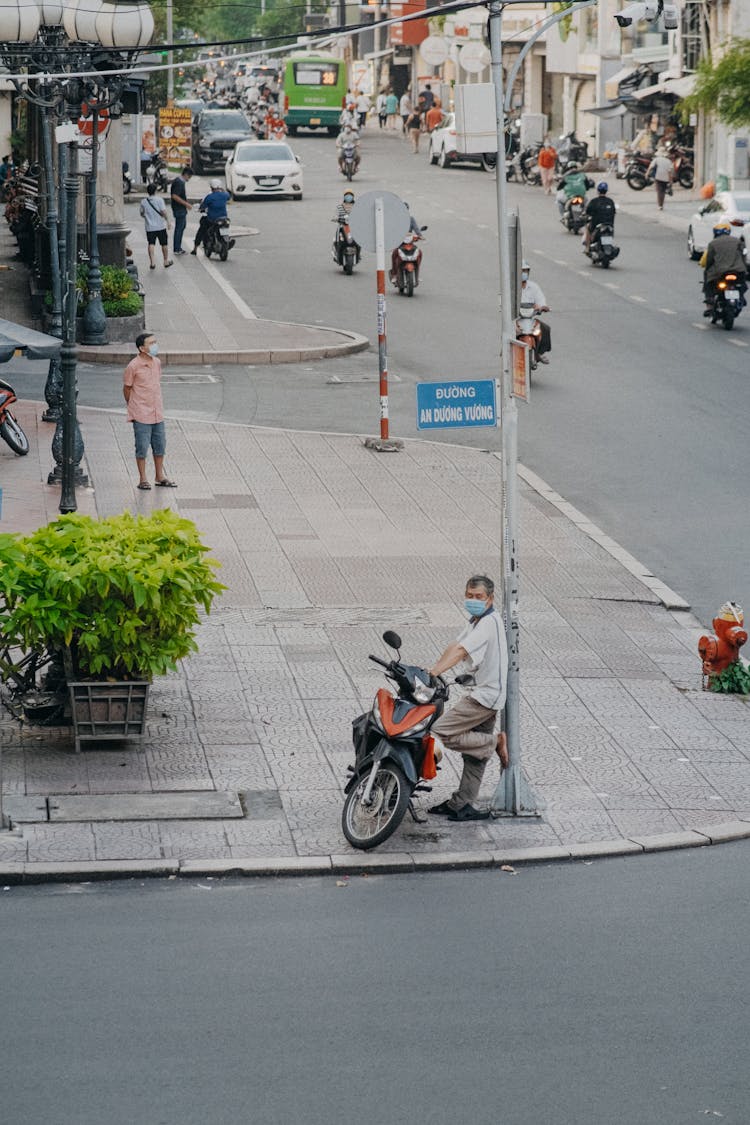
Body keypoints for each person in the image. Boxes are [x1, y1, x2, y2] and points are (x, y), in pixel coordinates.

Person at [427, 575, 509, 821]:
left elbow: (463, 651)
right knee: (475, 754)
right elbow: (455, 645)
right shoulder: (477, 620)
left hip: (485, 696)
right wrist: (431, 670)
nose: (473, 600)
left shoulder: (489, 622)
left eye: (479, 597)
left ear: (490, 599)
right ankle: (462, 804)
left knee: (440, 731)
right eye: (470, 596)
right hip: (482, 692)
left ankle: (494, 742)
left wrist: (435, 672)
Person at [122, 331, 176, 490]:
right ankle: (143, 479)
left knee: (160, 446)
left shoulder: (157, 362)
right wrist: (133, 405)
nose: (154, 346)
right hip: (141, 413)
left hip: (157, 412)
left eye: (155, 342)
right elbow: (127, 388)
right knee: (142, 447)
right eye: (151, 344)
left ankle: (160, 476)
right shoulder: (133, 366)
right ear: (141, 348)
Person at [700, 221, 747, 314]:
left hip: (721, 272)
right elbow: (743, 256)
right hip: (739, 271)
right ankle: (741, 297)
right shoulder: (738, 241)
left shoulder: (713, 243)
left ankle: (710, 301)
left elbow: (709, 260)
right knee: (743, 284)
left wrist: (708, 269)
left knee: (708, 279)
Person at [519, 260, 551, 363]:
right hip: (516, 320)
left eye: (525, 271)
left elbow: (541, 300)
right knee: (508, 334)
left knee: (545, 329)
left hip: (530, 319)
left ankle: (539, 353)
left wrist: (542, 307)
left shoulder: (534, 287)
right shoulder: (512, 287)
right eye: (521, 271)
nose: (524, 273)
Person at [191, 179, 233, 254]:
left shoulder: (209, 197)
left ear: (211, 187)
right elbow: (228, 197)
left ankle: (195, 248)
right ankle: (226, 240)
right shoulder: (225, 195)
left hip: (212, 220)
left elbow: (202, 207)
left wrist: (200, 209)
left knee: (202, 229)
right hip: (224, 218)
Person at [139, 183, 173, 270]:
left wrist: (147, 216)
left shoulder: (143, 201)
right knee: (164, 244)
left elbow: (142, 214)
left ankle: (152, 262)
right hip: (160, 226)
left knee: (151, 243)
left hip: (150, 227)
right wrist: (168, 221)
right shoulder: (159, 200)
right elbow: (163, 212)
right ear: (155, 191)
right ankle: (165, 261)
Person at [583, 181, 616, 251]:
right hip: (609, 226)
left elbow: (587, 212)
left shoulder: (594, 201)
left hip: (597, 226)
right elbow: (613, 213)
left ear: (598, 191)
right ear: (606, 191)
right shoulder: (610, 201)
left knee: (588, 228)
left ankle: (587, 248)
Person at [170, 165, 193, 256]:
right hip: (179, 208)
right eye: (189, 177)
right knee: (179, 228)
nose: (189, 179)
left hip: (179, 208)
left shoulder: (178, 181)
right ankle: (177, 248)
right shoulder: (180, 182)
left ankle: (178, 247)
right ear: (186, 174)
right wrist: (186, 204)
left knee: (182, 226)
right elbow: (175, 196)